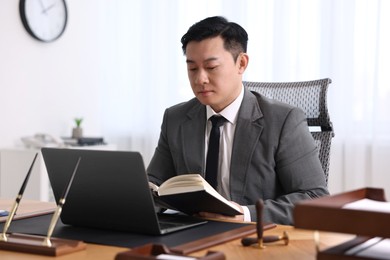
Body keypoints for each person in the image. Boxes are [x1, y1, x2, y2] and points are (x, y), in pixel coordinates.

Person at [147, 16, 329, 225]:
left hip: (253, 238)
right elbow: (153, 185)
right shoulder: (176, 119)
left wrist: (246, 213)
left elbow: (316, 198)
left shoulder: (284, 121)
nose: (200, 79)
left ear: (241, 63)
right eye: (192, 68)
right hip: (190, 236)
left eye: (211, 67)